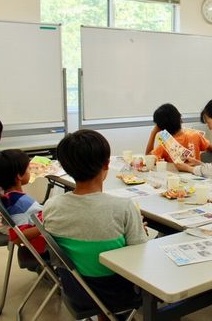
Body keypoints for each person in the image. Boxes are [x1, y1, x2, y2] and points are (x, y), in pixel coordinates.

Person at [43, 129, 148, 316]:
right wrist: (140, 230)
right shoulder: (123, 207)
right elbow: (139, 255)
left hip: (75, 289)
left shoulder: (51, 206)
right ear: (106, 164)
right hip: (116, 291)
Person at [0, 149, 45, 254]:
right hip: (45, 242)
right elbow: (18, 237)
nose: (30, 171)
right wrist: (48, 226)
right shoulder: (19, 205)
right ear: (19, 176)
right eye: (28, 169)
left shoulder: (10, 197)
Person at [145, 103, 212, 162]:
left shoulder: (166, 145)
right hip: (197, 174)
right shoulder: (195, 135)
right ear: (180, 118)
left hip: (176, 177)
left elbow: (148, 158)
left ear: (161, 127)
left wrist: (153, 132)